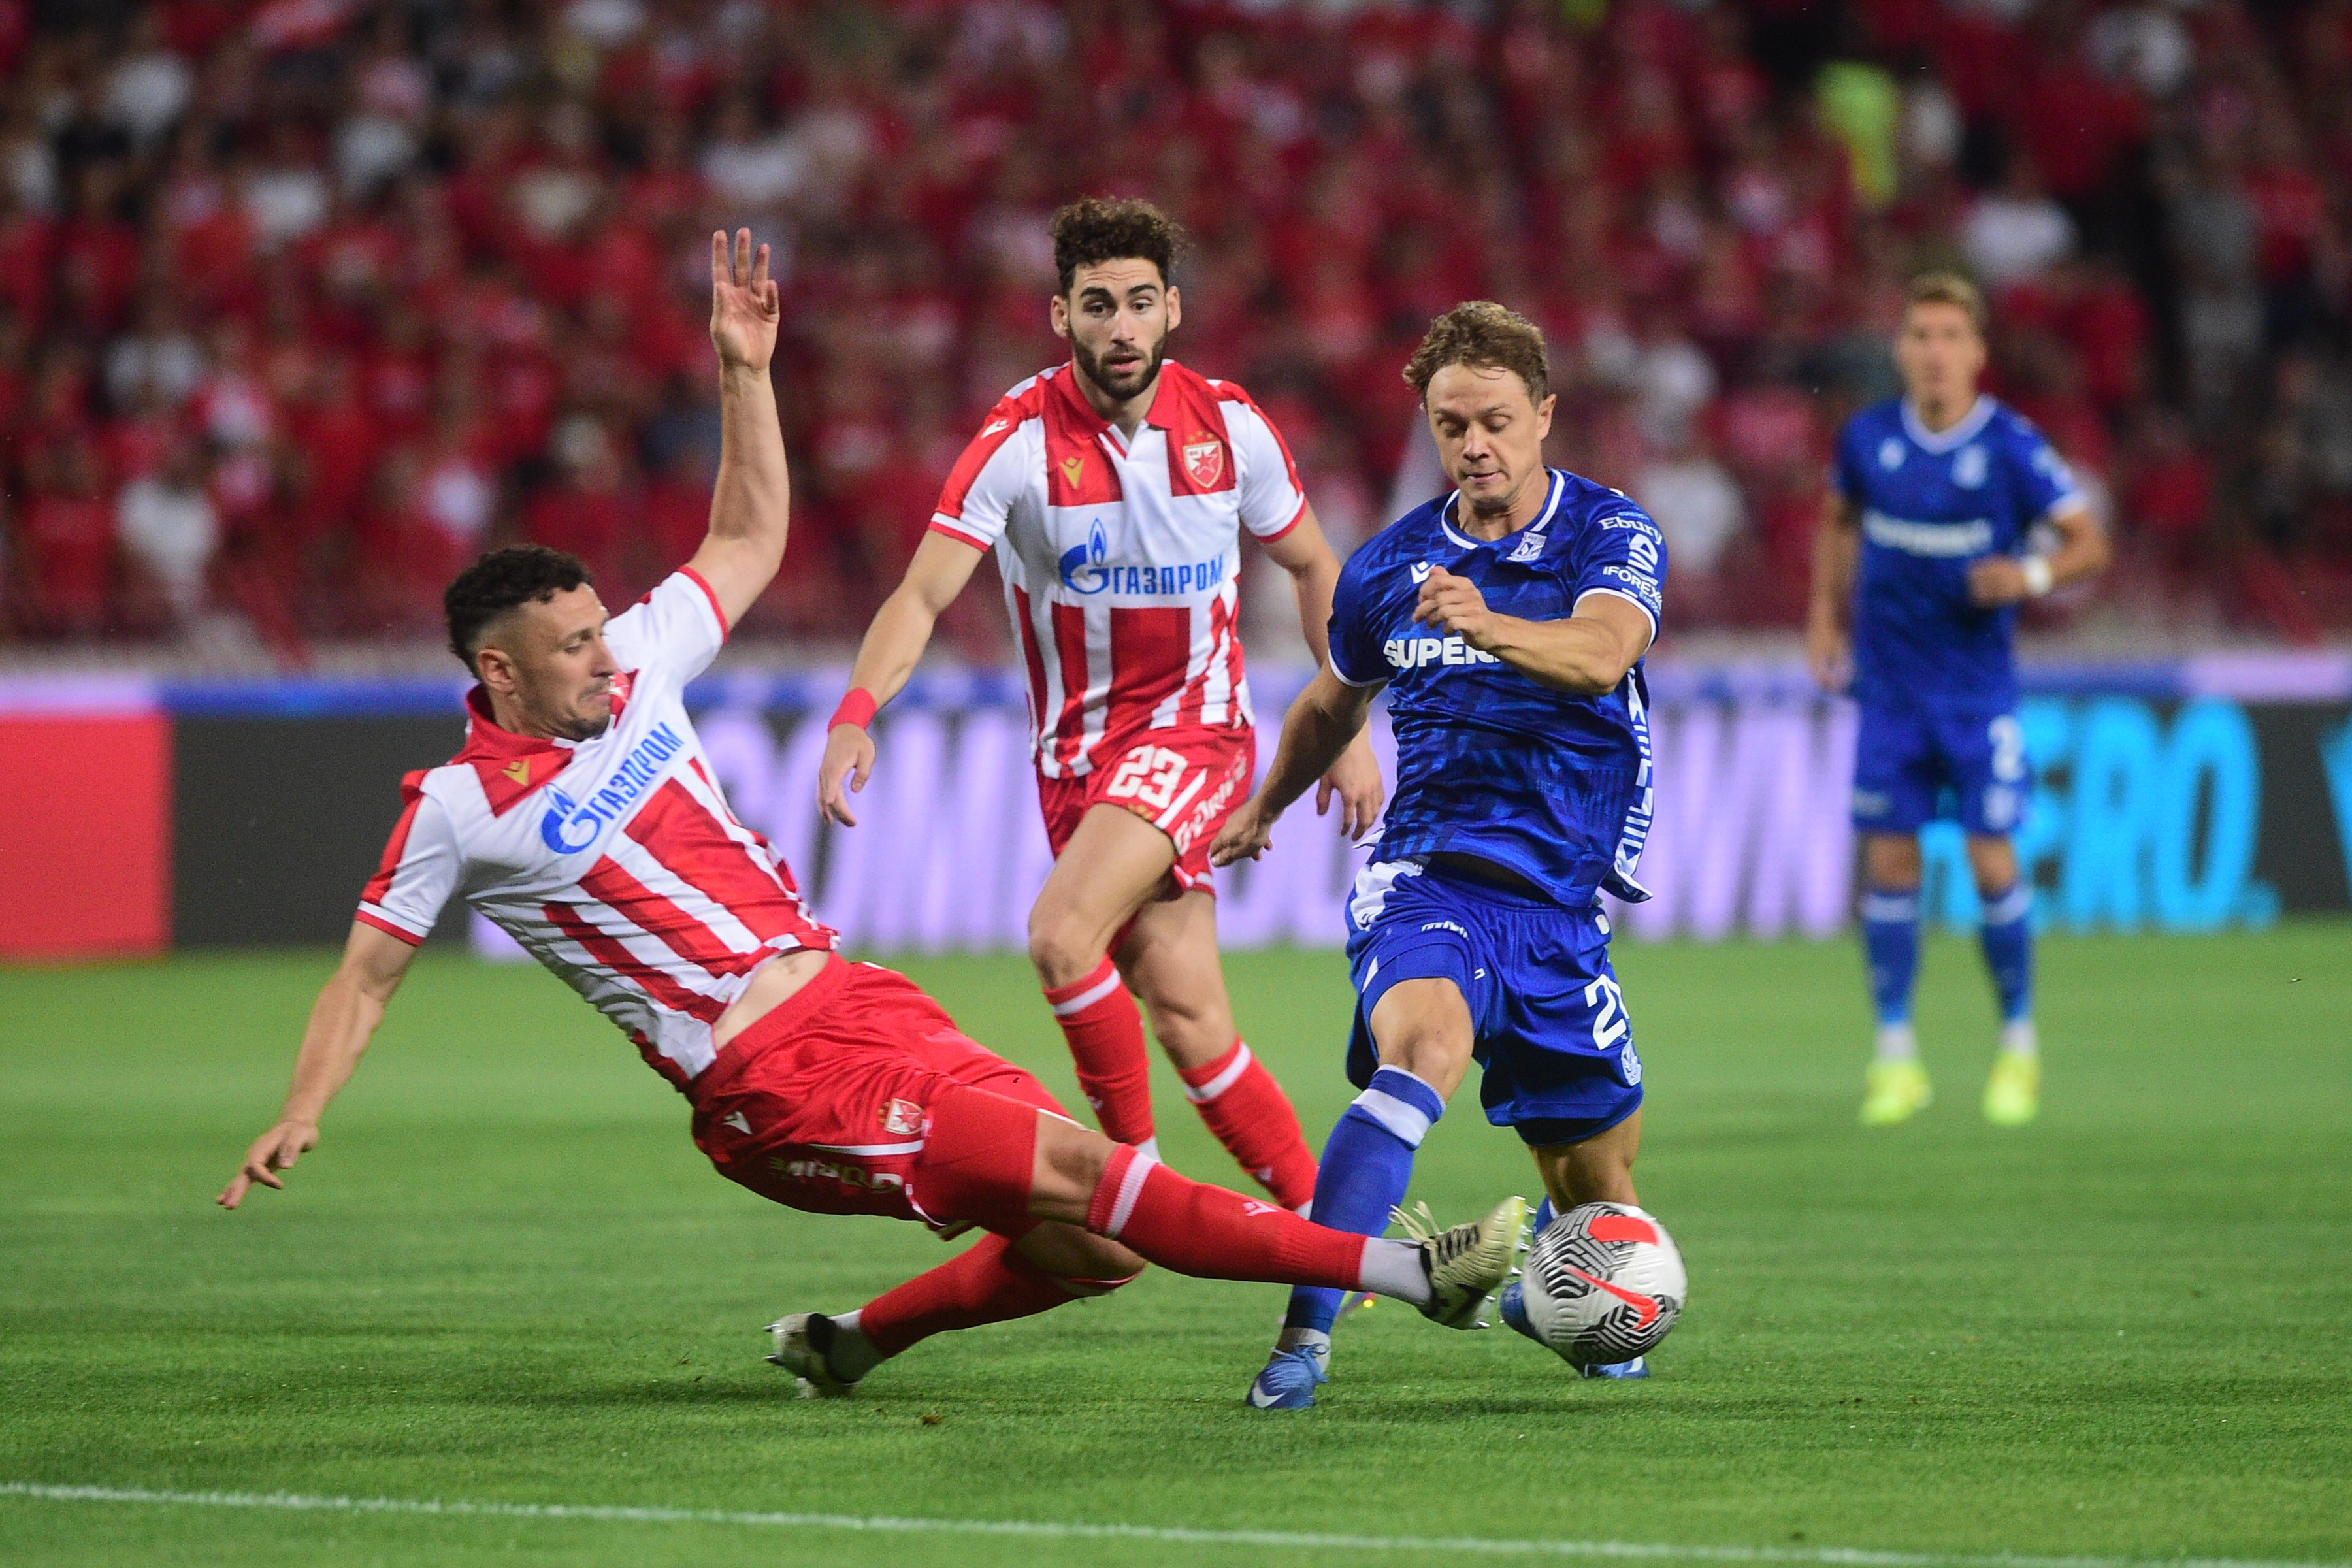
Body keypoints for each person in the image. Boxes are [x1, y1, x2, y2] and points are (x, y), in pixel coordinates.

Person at [217, 231, 1524, 1397]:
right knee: (1108, 1165)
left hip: (861, 999)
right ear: (499, 673)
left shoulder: (639, 657)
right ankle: (1403, 1277)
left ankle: (858, 1340)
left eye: (599, 632)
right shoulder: (455, 806)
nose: (606, 659)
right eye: (571, 647)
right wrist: (304, 1104)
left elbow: (744, 542)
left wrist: (745, 372)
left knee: (1105, 1249)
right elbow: (368, 977)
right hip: (767, 1082)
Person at [818, 198, 1382, 1211]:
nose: (1119, 327)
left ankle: (1131, 1190)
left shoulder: (1230, 429)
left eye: (1137, 304)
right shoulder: (1017, 444)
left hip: (1197, 731)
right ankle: (1333, 1241)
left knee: (1060, 937)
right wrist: (857, 711)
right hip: (1076, 760)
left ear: (1171, 309)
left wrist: (1342, 724)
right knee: (1190, 1018)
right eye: (1096, 306)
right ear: (1059, 317)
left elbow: (1311, 567)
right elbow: (922, 593)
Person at [1211, 302, 1668, 1409]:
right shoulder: (1388, 568)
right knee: (1427, 1047)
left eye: (1498, 421)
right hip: (1431, 878)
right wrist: (1266, 803)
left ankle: (1538, 1295)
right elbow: (1332, 701)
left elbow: (1606, 655)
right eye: (1452, 423)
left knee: (1599, 1195)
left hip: (1562, 909)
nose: (1476, 445)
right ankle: (1303, 1341)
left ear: (1545, 415)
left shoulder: (1609, 534)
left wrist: (1487, 627)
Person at [1804, 273, 2110, 1129]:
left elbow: (2090, 542)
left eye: (1951, 335)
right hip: (1891, 691)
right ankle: (1895, 1056)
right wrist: (1825, 614)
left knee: (1991, 863)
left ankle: (2019, 1044)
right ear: (1901, 349)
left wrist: (2032, 573)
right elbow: (1836, 522)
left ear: (1977, 353)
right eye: (1921, 334)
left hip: (1976, 697)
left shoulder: (2011, 447)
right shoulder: (1867, 441)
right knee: (1892, 866)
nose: (1935, 351)